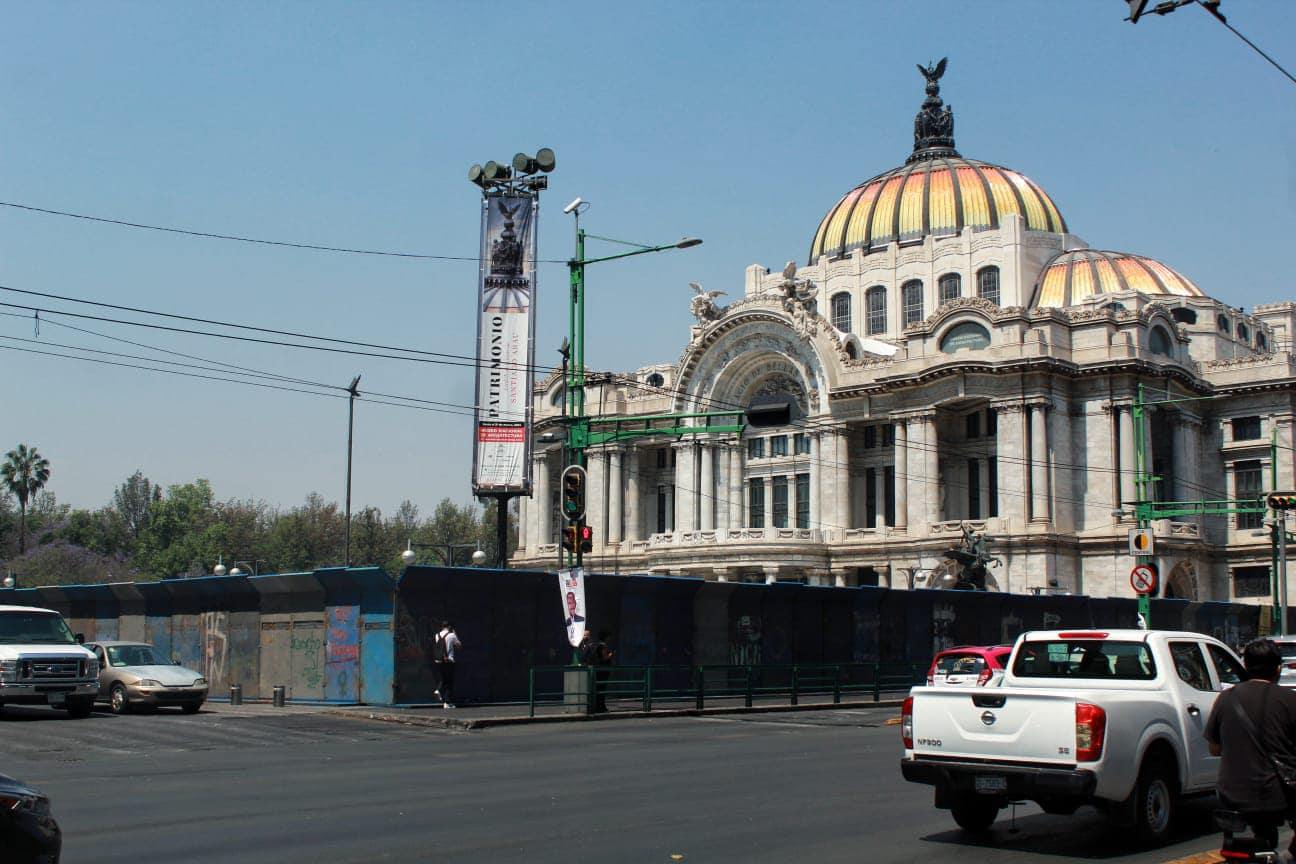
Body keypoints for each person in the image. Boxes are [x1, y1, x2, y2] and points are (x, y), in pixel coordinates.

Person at [1205, 639, 1296, 855]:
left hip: (1231, 795)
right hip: (1278, 796)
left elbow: (1214, 749)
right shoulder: (1290, 700)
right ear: (1278, 668)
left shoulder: (1225, 699)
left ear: (1245, 666)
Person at [433, 622, 462, 709]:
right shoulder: (452, 635)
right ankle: (447, 702)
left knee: (444, 679)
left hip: (439, 660)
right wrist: (455, 634)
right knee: (449, 682)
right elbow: (459, 646)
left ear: (442, 626)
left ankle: (439, 690)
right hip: (449, 660)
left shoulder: (437, 635)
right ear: (449, 626)